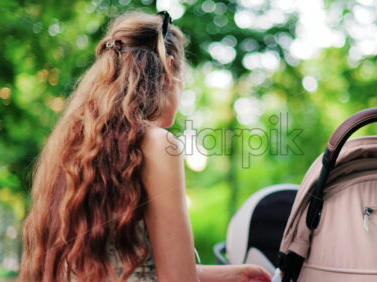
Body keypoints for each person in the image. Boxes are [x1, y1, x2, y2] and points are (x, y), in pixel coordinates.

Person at [19, 10, 272, 282]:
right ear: (169, 71)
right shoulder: (157, 144)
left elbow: (123, 268)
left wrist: (233, 273)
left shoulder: (72, 149)